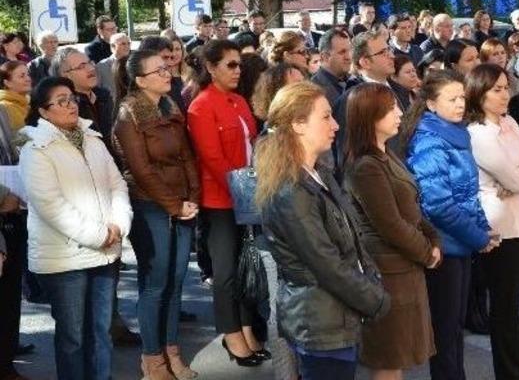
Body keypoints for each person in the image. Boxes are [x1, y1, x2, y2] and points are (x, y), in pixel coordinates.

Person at [256, 82, 389, 379]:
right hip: (320, 323)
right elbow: (326, 264)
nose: (336, 124)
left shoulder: (319, 174)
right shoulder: (292, 190)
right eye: (326, 117)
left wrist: (371, 279)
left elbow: (352, 239)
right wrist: (375, 298)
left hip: (334, 316)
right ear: (298, 124)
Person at [19, 76, 132, 380]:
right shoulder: (36, 150)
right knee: (73, 337)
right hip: (65, 259)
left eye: (71, 98)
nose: (70, 105)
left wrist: (120, 225)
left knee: (101, 332)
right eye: (61, 101)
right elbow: (50, 205)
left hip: (105, 252)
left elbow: (117, 184)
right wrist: (99, 234)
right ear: (43, 111)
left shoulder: (93, 140)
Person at [402, 69, 498, 380]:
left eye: (462, 97)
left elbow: (469, 193)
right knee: (445, 327)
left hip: (462, 241)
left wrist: (482, 230)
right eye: (452, 99)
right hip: (443, 245)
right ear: (430, 104)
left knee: (455, 325)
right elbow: (438, 205)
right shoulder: (430, 141)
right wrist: (477, 237)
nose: (460, 104)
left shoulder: (457, 133)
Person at [112, 50, 201, 379]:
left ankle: (172, 351)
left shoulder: (170, 105)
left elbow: (187, 156)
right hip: (149, 205)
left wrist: (192, 197)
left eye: (168, 67)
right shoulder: (128, 114)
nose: (168, 73)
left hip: (181, 203)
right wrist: (175, 205)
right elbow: (141, 170)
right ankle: (152, 360)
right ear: (139, 80)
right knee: (155, 282)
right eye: (159, 70)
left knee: (176, 281)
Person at [343, 83, 440, 379]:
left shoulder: (386, 154)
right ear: (370, 116)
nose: (400, 113)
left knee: (397, 357)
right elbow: (390, 225)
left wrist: (433, 238)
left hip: (405, 267)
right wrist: (427, 251)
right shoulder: (366, 166)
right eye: (390, 109)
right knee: (388, 357)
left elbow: (411, 206)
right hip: (390, 272)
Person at [466, 64, 519, 380]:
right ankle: (509, 371)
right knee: (504, 305)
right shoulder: (477, 133)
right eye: (497, 90)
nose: (505, 95)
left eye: (506, 87)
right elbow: (518, 180)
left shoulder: (510, 123)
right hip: (501, 229)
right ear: (479, 94)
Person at [186, 40, 264, 366]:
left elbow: (252, 145)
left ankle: (246, 328)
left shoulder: (237, 101)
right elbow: (213, 159)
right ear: (211, 68)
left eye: (238, 64)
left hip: (247, 195)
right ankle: (231, 335)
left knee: (248, 266)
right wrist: (243, 194)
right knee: (227, 271)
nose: (237, 70)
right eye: (230, 64)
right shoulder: (201, 106)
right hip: (221, 200)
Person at [0, 106, 28, 380]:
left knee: (9, 297)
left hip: (13, 216)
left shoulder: (3, 112)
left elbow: (15, 151)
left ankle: (6, 362)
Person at [311, 28, 352, 107]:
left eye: (349, 50)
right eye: (342, 52)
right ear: (325, 57)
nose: (348, 57)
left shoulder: (357, 82)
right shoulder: (313, 90)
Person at [95, 33, 131, 101]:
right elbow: (97, 89)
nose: (127, 46)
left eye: (128, 43)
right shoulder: (102, 66)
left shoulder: (134, 63)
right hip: (112, 106)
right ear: (113, 46)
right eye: (123, 44)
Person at [0, 61, 32, 131]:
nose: (28, 79)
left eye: (28, 75)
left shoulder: (28, 102)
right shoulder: (4, 108)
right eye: (22, 76)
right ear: (7, 83)